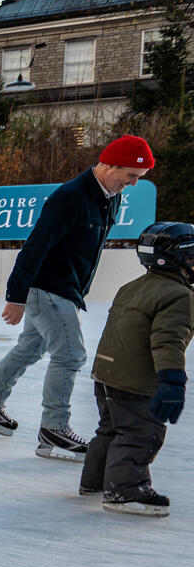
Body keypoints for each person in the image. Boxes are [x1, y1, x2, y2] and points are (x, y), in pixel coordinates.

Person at [0, 135, 151, 460]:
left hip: (67, 288)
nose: (132, 184)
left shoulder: (110, 197)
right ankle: (54, 428)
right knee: (70, 355)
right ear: (109, 165)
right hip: (49, 287)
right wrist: (16, 295)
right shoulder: (71, 197)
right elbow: (35, 245)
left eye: (138, 178)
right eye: (131, 175)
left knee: (30, 348)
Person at [79, 222, 194, 517]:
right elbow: (168, 340)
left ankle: (94, 482)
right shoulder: (179, 295)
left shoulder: (131, 287)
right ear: (178, 259)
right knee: (141, 432)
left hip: (106, 373)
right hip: (135, 378)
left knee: (110, 429)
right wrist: (171, 380)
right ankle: (126, 490)